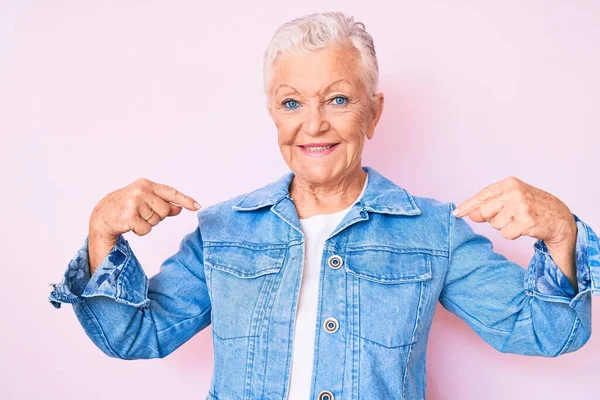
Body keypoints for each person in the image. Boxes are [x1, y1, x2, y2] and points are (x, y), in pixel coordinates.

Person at [48, 11, 599, 400]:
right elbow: (136, 336)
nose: (313, 124)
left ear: (374, 112)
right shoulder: (220, 232)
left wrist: (560, 235)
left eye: (338, 99)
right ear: (273, 114)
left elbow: (547, 334)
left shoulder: (436, 232)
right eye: (292, 103)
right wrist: (103, 236)